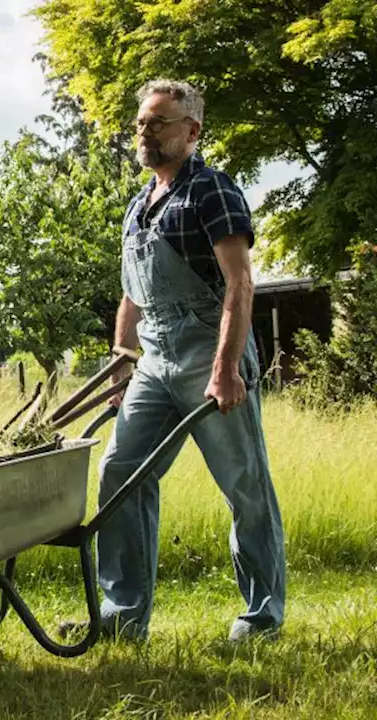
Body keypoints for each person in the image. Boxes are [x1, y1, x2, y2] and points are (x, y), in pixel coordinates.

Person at [64, 79, 287, 643]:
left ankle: (261, 618)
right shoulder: (138, 206)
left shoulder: (212, 190)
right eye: (141, 122)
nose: (145, 131)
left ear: (191, 132)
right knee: (120, 474)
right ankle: (122, 614)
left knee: (245, 486)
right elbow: (132, 295)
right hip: (155, 360)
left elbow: (240, 283)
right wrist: (122, 363)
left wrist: (226, 367)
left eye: (158, 122)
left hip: (208, 351)